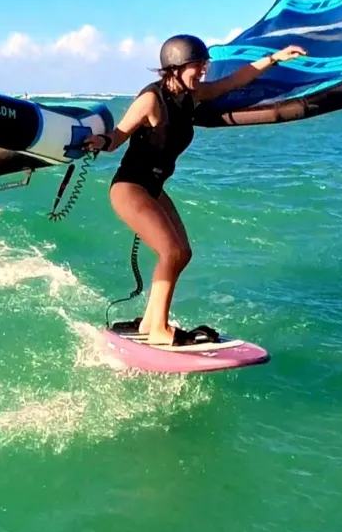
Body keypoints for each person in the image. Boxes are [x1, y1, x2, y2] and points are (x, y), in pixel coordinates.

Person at [84, 34, 306, 346]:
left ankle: (149, 321)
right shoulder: (151, 100)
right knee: (171, 252)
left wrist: (274, 58)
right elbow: (116, 138)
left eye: (204, 64)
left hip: (154, 188)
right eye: (197, 65)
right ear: (175, 67)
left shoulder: (193, 94)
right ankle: (159, 329)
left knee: (182, 253)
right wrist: (99, 141)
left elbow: (233, 82)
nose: (203, 70)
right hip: (130, 187)